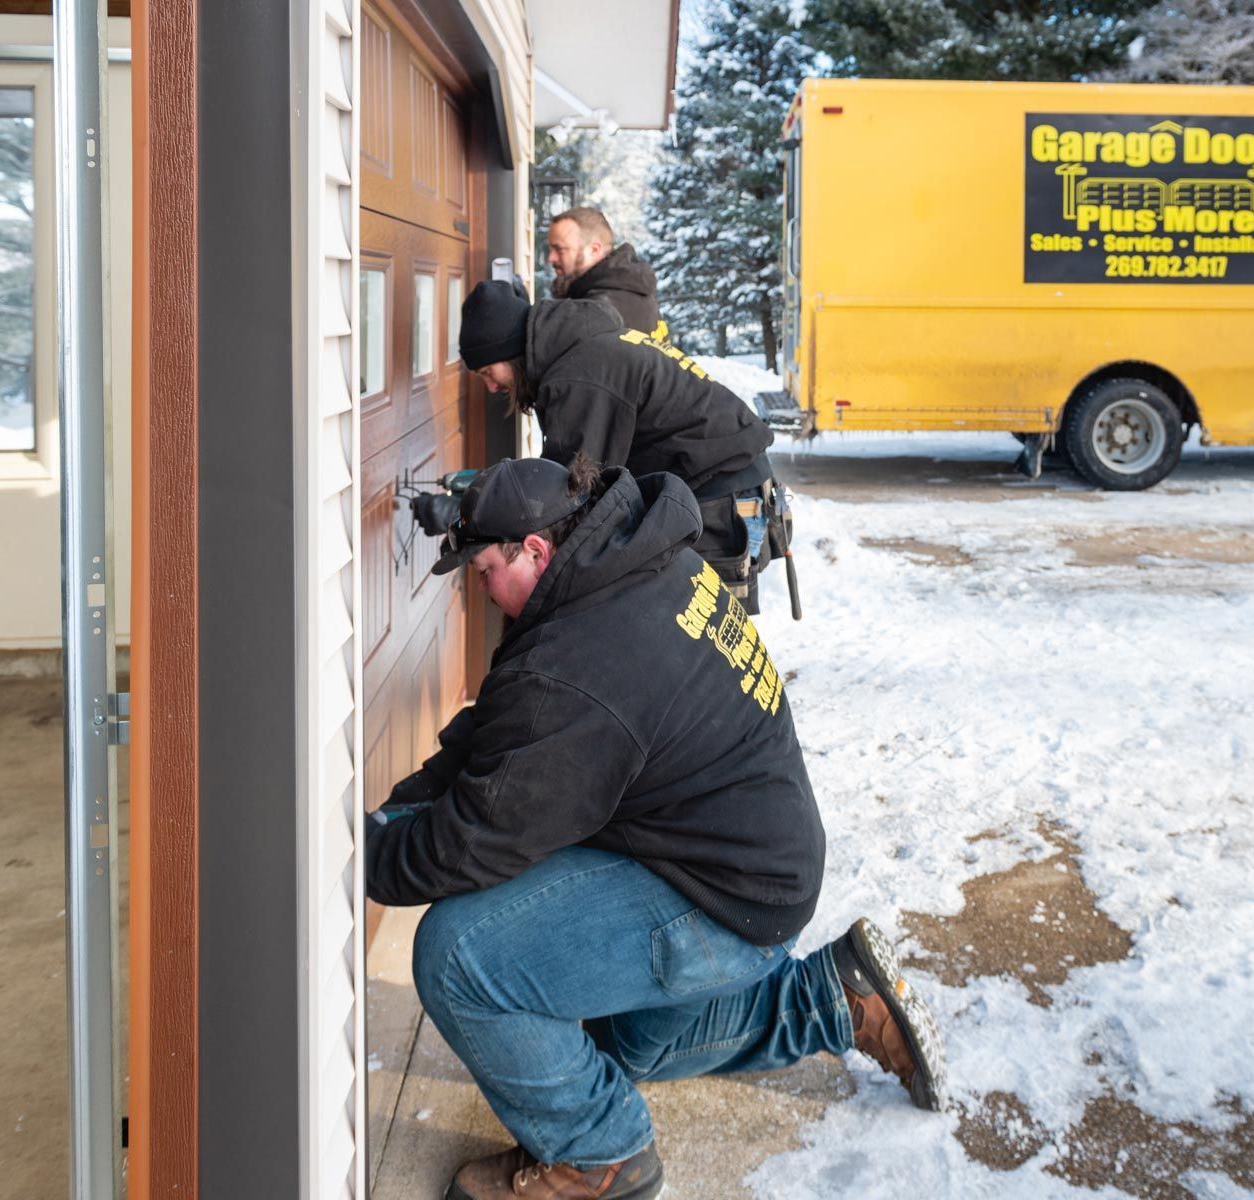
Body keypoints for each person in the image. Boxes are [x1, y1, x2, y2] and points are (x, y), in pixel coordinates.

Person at [365, 454, 946, 1200]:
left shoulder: (582, 664)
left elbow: (476, 836)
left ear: (536, 550)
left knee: (461, 957)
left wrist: (358, 854)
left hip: (721, 894)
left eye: (484, 569)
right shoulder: (625, 565)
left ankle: (602, 1156)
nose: (479, 587)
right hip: (747, 861)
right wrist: (404, 805)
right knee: (619, 1043)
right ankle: (833, 1000)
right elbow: (506, 732)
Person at [458, 278, 787, 612]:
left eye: (488, 371)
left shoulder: (577, 376)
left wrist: (480, 524)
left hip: (721, 500)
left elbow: (567, 503)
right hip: (727, 489)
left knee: (695, 641)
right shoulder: (585, 349)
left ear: (511, 352)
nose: (490, 386)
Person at [545, 206, 663, 336]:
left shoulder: (600, 309)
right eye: (550, 249)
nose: (551, 258)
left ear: (594, 250)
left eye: (560, 249)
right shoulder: (632, 290)